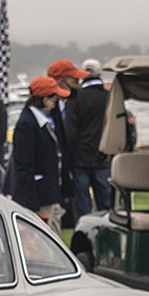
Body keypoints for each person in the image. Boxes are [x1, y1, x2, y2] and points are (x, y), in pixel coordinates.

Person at [8, 77, 68, 221]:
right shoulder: (27, 125)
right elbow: (24, 166)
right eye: (54, 99)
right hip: (40, 197)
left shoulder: (44, 121)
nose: (56, 102)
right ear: (45, 99)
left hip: (49, 192)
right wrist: (32, 204)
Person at [66, 60, 113, 222]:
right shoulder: (109, 98)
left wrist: (69, 160)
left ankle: (84, 235)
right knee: (105, 204)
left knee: (83, 204)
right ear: (100, 75)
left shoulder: (74, 99)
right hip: (103, 156)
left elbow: (70, 133)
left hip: (80, 158)